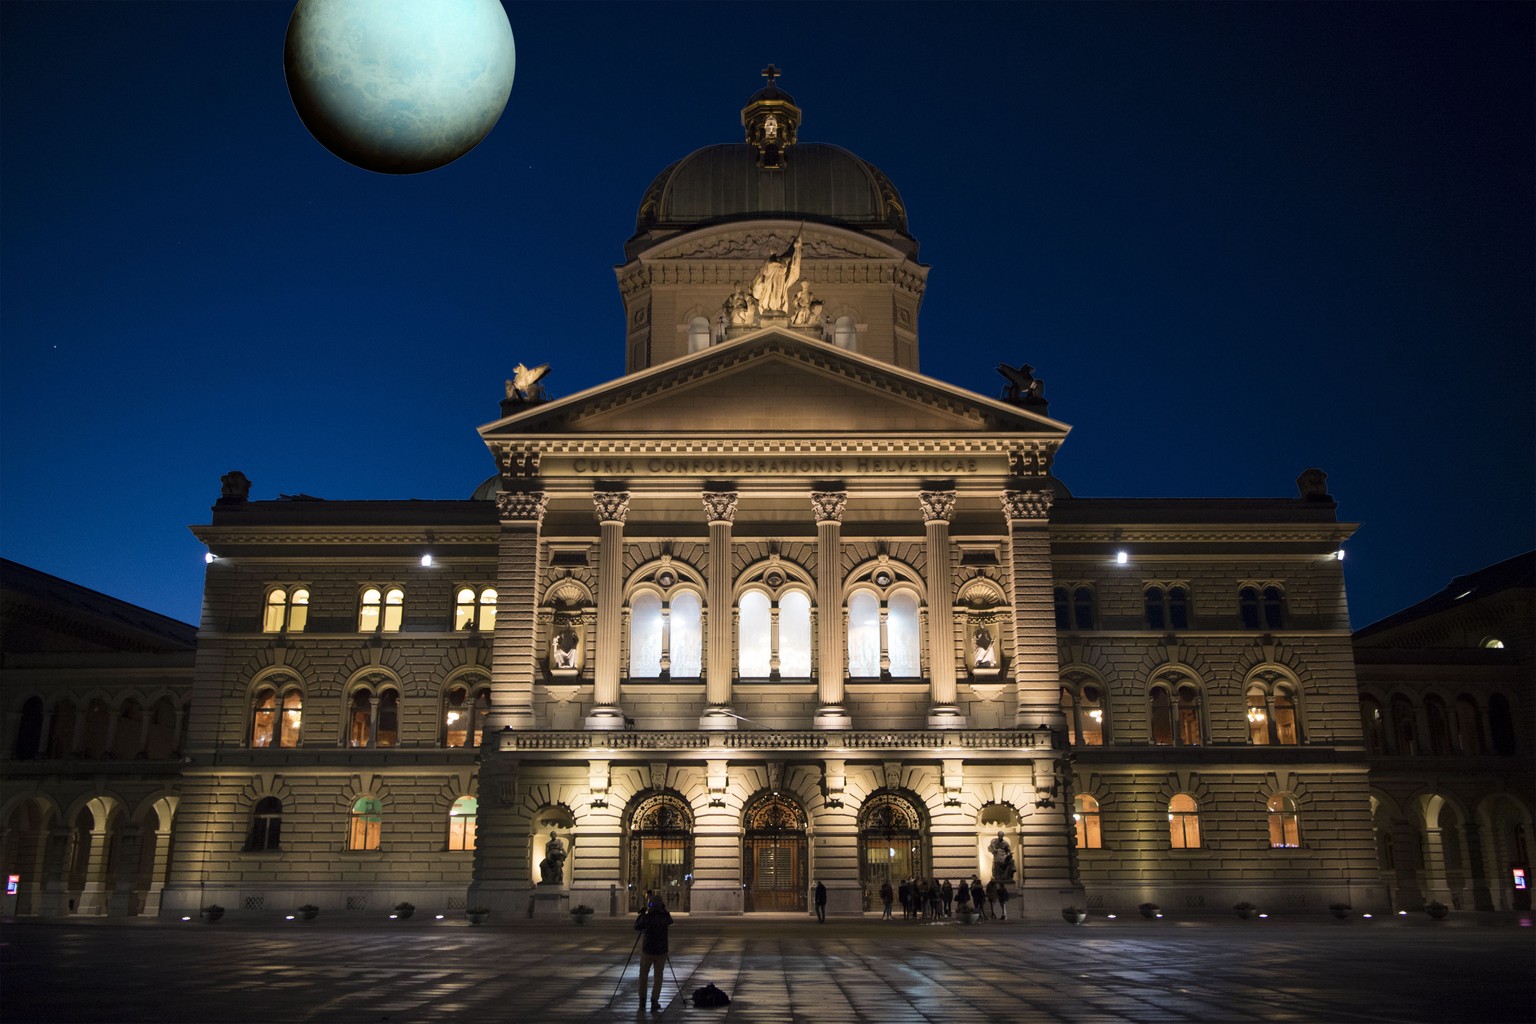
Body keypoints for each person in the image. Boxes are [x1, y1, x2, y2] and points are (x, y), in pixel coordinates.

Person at [635, 892, 672, 1013]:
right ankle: (654, 1000)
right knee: (658, 977)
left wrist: (642, 914)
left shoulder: (648, 917)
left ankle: (642, 999)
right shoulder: (664, 916)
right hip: (661, 951)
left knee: (643, 975)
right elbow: (670, 921)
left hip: (648, 950)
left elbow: (637, 926)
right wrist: (663, 909)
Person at [751, 232, 801, 315]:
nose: (773, 251)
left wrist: (795, 247)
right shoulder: (768, 262)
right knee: (769, 294)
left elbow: (789, 255)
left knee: (777, 293)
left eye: (774, 250)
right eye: (772, 250)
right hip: (769, 281)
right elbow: (761, 273)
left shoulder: (779, 260)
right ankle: (769, 308)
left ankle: (776, 308)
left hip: (778, 280)